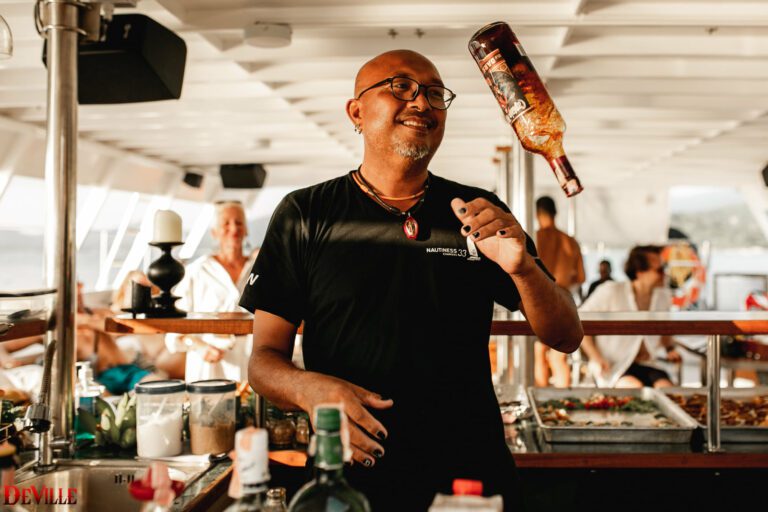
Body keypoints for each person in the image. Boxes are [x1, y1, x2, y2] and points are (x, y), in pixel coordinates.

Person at [239, 50, 582, 510]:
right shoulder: (305, 214)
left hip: (468, 477)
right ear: (356, 112)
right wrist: (310, 389)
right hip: (353, 474)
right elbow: (263, 360)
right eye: (401, 87)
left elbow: (566, 335)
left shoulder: (480, 211)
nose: (422, 102)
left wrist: (523, 269)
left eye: (436, 94)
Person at [166, 201, 256, 382]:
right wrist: (198, 346)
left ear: (246, 230)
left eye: (239, 222)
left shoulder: (261, 270)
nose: (234, 228)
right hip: (208, 367)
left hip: (252, 361)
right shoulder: (197, 271)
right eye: (226, 223)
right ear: (214, 232)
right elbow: (174, 328)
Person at [579, 245, 682, 388]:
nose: (665, 274)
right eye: (659, 270)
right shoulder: (610, 290)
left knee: (667, 390)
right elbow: (580, 321)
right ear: (640, 272)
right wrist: (595, 357)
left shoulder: (663, 297)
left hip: (651, 363)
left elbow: (665, 334)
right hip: (615, 366)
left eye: (665, 268)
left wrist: (670, 349)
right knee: (634, 390)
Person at [533, 195, 585, 387]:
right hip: (563, 300)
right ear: (556, 212)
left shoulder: (534, 239)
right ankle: (563, 401)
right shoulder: (570, 242)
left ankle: (541, 399)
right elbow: (581, 277)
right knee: (559, 357)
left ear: (537, 214)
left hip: (538, 301)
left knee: (539, 354)